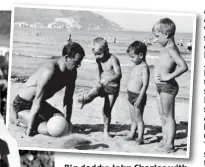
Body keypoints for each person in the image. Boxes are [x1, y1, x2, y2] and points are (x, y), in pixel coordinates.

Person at [11, 42, 85, 136]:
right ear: (66, 58)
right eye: (77, 62)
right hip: (22, 104)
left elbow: (68, 100)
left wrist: (67, 122)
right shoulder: (49, 71)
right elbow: (36, 101)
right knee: (49, 130)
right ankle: (18, 118)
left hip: (41, 104)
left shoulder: (72, 73)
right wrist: (29, 130)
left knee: (61, 121)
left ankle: (28, 119)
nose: (79, 65)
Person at [152, 18, 188, 153]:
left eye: (157, 36)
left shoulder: (172, 49)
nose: (155, 40)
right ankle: (165, 139)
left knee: (169, 116)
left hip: (168, 87)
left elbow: (183, 66)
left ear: (166, 34)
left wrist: (168, 76)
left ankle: (170, 144)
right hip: (160, 87)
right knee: (163, 116)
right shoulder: (165, 48)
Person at [77, 37, 122, 139]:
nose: (97, 56)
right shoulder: (98, 59)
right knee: (92, 94)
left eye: (99, 54)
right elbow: (101, 72)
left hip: (112, 88)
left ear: (105, 50)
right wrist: (100, 80)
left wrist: (109, 79)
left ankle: (106, 131)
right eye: (95, 54)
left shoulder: (113, 59)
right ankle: (84, 99)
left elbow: (119, 74)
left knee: (106, 110)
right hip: (102, 84)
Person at [125, 41, 150, 144]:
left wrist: (140, 98)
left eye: (132, 57)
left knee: (139, 118)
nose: (131, 59)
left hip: (138, 96)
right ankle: (132, 134)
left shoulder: (144, 68)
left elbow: (145, 84)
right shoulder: (136, 66)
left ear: (140, 55)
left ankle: (140, 137)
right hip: (131, 95)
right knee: (132, 117)